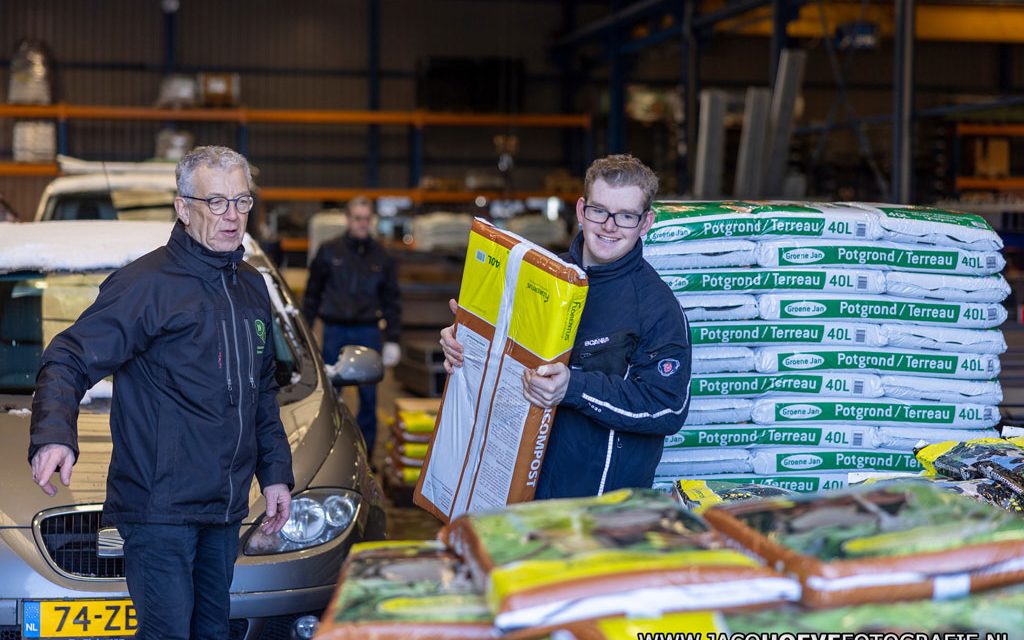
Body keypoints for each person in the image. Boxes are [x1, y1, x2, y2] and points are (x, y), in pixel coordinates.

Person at [28, 145, 294, 640]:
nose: (232, 216)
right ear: (182, 207)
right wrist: (54, 434)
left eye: (241, 201)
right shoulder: (145, 286)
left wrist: (275, 474)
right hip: (159, 510)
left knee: (212, 632)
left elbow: (260, 391)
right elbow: (69, 355)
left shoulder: (251, 286)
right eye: (215, 202)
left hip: (224, 506)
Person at [440, 154, 691, 498]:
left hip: (599, 508)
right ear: (580, 210)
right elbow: (505, 358)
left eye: (626, 216)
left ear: (645, 223)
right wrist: (463, 345)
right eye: (599, 210)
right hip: (521, 490)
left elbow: (667, 407)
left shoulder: (656, 306)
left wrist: (574, 387)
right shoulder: (541, 279)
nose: (609, 225)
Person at [303, 196, 401, 456]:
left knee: (369, 399)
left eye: (366, 219)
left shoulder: (383, 257)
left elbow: (392, 300)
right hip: (335, 332)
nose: (361, 223)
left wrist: (393, 339)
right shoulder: (329, 251)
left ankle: (366, 456)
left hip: (368, 332)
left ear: (372, 221)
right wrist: (306, 329)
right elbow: (312, 294)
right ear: (348, 219)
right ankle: (329, 452)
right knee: (331, 396)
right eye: (357, 218)